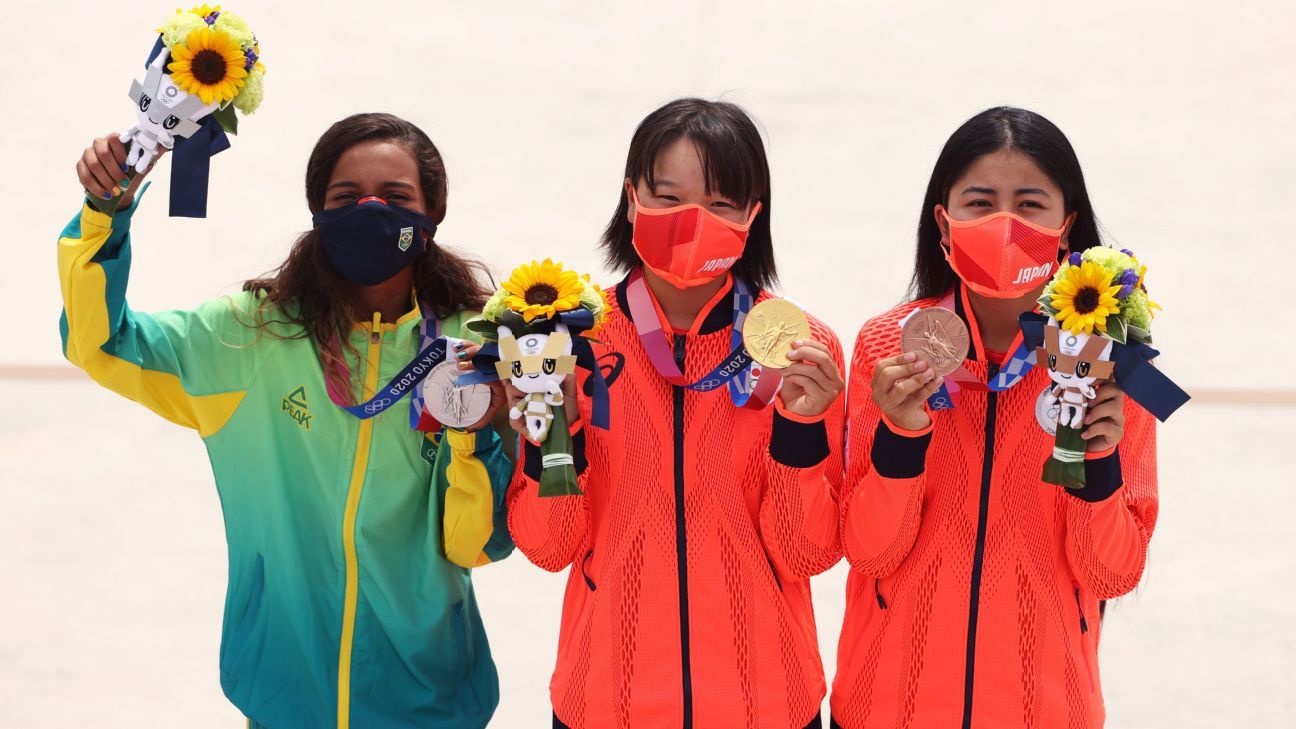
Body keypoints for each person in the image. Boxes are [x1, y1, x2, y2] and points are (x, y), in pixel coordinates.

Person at [60, 112, 513, 728]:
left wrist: (476, 433)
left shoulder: (476, 348)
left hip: (428, 699)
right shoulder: (252, 336)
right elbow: (105, 343)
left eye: (396, 198)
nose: (371, 210)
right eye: (346, 198)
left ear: (432, 212)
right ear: (319, 213)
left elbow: (479, 543)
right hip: (287, 697)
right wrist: (103, 215)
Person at [505, 98, 846, 729]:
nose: (693, 222)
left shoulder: (802, 350)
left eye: (719, 205)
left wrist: (800, 429)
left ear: (752, 215)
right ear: (631, 197)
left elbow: (806, 553)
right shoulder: (563, 345)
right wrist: (559, 430)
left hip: (766, 704)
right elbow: (548, 545)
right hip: (605, 700)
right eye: (668, 198)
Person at [831, 107, 1157, 729]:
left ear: (1067, 226)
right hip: (886, 706)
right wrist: (901, 438)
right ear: (943, 221)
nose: (1005, 223)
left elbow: (1110, 573)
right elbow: (869, 552)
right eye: (980, 202)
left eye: (1030, 204)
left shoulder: (1112, 363)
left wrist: (1100, 459)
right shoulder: (887, 348)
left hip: (1047, 709)